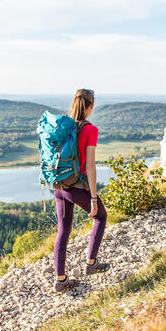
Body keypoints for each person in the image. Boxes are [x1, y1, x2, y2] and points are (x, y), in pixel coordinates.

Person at [53, 89, 109, 293]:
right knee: (101, 217)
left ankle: (60, 280)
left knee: (63, 230)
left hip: (59, 186)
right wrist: (93, 198)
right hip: (76, 187)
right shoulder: (90, 129)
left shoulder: (63, 125)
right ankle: (91, 263)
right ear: (90, 107)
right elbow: (91, 167)